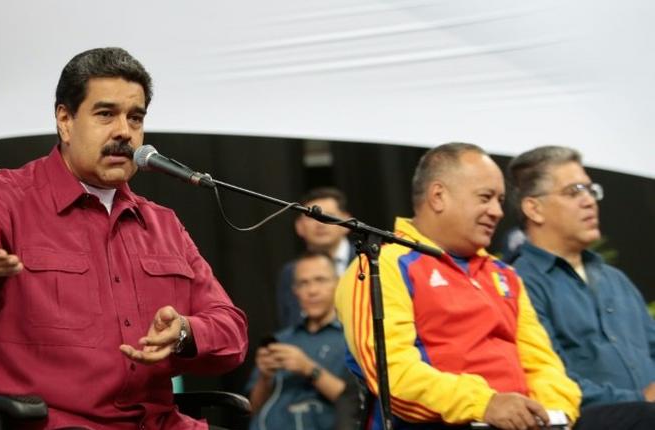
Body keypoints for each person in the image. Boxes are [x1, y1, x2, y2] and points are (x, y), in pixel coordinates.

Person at [0, 47, 248, 430]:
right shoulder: (1, 196)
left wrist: (185, 333)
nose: (124, 132)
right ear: (65, 120)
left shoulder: (163, 224)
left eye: (135, 117)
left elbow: (232, 331)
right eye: (106, 114)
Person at [335, 142, 581, 430]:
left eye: (500, 200)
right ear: (438, 196)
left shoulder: (504, 274)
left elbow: (542, 365)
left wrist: (553, 414)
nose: (498, 211)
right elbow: (393, 377)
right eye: (486, 197)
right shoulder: (381, 266)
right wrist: (485, 404)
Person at [509, 145, 655, 428]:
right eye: (574, 192)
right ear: (534, 208)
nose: (589, 201)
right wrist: (640, 398)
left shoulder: (615, 280)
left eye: (591, 190)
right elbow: (552, 379)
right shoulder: (520, 282)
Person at [248, 251, 348, 430]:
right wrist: (264, 377)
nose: (312, 291)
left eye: (320, 280)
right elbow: (251, 408)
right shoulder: (281, 340)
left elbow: (356, 403)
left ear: (338, 283)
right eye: (303, 283)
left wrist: (308, 368)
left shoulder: (351, 339)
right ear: (295, 291)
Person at [276, 187, 354, 328]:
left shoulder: (369, 261)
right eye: (312, 218)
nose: (320, 224)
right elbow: (290, 324)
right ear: (299, 227)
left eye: (329, 215)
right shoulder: (290, 272)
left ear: (347, 222)